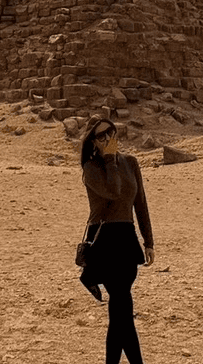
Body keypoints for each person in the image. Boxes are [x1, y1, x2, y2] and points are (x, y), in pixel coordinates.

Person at [78, 118, 154, 364]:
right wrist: (109, 158)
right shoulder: (91, 168)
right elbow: (114, 191)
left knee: (120, 312)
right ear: (93, 142)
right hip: (105, 243)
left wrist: (149, 241)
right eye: (101, 137)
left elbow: (140, 204)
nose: (108, 139)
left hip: (126, 241)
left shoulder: (131, 163)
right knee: (123, 308)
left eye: (110, 132)